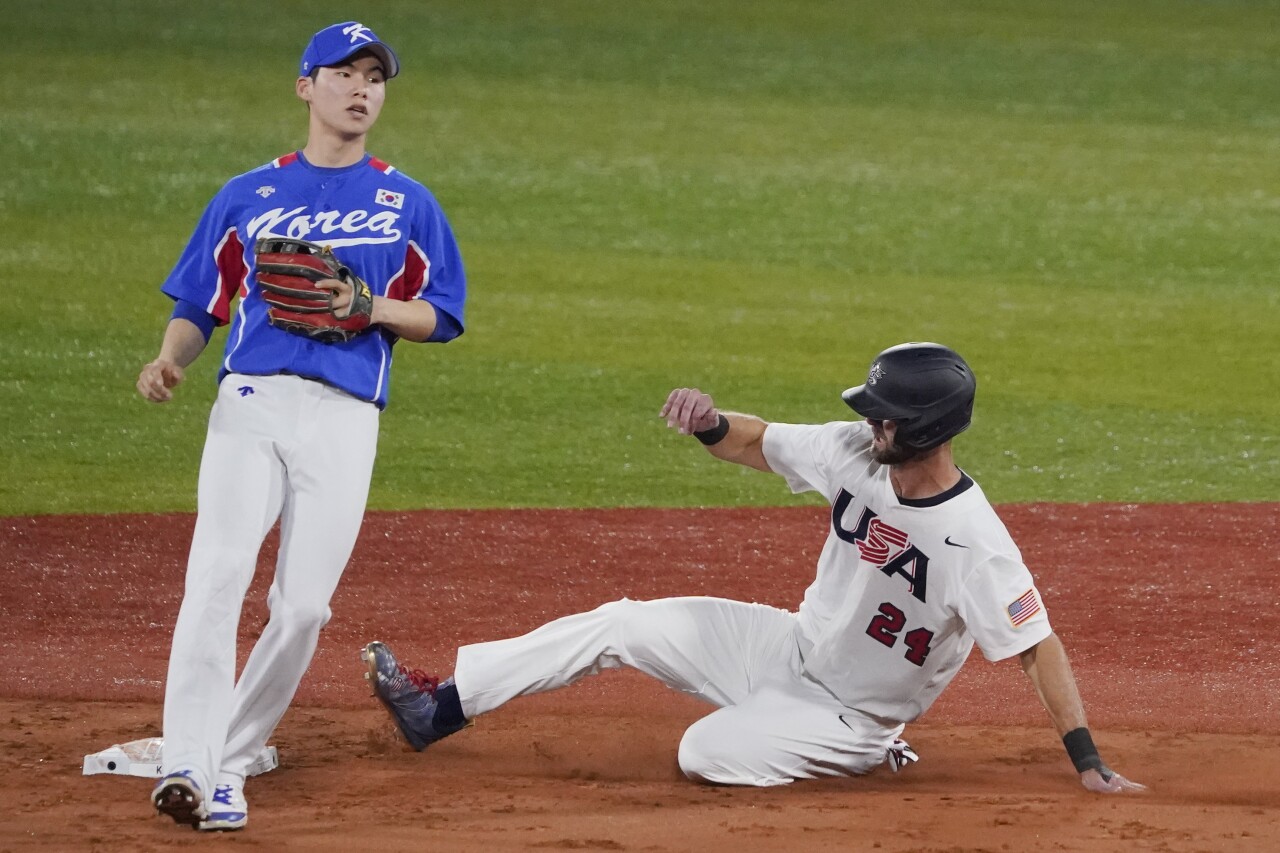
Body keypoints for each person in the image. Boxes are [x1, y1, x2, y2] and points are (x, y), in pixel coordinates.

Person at [360, 343, 1143, 793]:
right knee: (623, 620)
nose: (870, 419)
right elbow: (755, 439)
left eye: (886, 414)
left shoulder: (976, 541)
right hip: (785, 649)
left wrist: (1088, 760)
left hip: (851, 717)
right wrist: (709, 423)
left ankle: (870, 755)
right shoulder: (850, 449)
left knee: (702, 751)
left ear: (927, 427)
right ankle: (444, 707)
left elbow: (1036, 643)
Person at [137, 20, 467, 831]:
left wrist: (372, 307)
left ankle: (232, 756)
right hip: (249, 404)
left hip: (347, 415)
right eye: (345, 74)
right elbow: (199, 302)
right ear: (305, 86)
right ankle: (189, 761)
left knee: (304, 609)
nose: (362, 89)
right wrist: (170, 357)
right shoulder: (246, 193)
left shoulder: (408, 202)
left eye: (375, 78)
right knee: (217, 575)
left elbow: (444, 314)